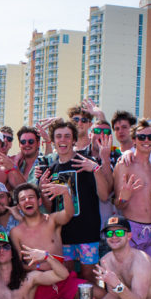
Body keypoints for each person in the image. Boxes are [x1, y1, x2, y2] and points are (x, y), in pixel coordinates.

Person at [43, 118, 110, 283]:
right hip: (63, 235)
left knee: (89, 278)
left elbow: (104, 196)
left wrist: (96, 169)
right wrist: (43, 188)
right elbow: (50, 206)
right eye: (59, 136)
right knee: (68, 279)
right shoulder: (52, 169)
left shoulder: (85, 162)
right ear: (53, 140)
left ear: (74, 140)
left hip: (88, 233)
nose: (63, 140)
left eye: (67, 136)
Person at [113, 120, 151, 272]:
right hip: (132, 229)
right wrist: (125, 196)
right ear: (134, 139)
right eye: (141, 137)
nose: (146, 140)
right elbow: (118, 204)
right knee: (130, 277)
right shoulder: (124, 164)